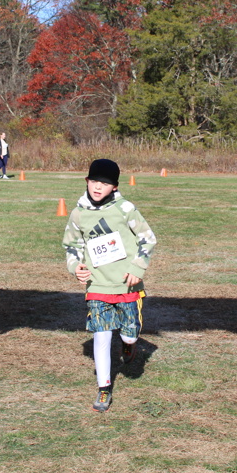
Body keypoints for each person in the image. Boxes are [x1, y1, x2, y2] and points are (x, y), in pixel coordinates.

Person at [62, 159, 157, 412]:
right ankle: (104, 388)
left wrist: (137, 268)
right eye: (94, 181)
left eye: (104, 183)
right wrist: (75, 266)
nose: (97, 187)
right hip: (97, 286)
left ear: (114, 187)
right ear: (86, 181)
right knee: (101, 335)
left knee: (129, 333)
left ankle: (129, 343)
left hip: (127, 285)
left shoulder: (125, 209)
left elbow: (148, 239)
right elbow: (72, 245)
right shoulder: (78, 213)